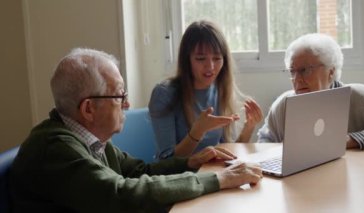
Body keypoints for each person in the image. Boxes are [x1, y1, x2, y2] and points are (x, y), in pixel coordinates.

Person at [9, 48, 263, 213]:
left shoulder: (90, 139)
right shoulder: (56, 148)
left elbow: (141, 171)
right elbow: (121, 194)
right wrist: (218, 179)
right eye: (119, 95)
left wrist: (192, 162)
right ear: (88, 109)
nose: (127, 104)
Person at [149, 20, 263, 160]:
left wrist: (248, 128)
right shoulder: (164, 94)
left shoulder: (221, 89)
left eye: (217, 58)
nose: (210, 66)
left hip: (214, 174)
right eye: (201, 58)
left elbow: (229, 154)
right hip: (181, 178)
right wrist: (197, 132)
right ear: (187, 60)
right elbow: (166, 162)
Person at [257, 33, 364, 150]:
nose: (297, 79)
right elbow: (264, 139)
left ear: (331, 72)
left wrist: (350, 140)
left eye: (305, 70)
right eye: (292, 71)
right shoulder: (283, 105)